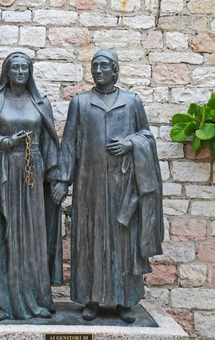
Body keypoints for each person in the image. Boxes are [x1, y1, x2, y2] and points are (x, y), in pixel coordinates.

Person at [51, 48, 163, 323]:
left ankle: (125, 300)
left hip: (122, 186)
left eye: (104, 66)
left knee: (123, 242)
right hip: (88, 185)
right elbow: (69, 143)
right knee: (88, 239)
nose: (98, 71)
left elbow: (146, 136)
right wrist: (64, 180)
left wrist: (130, 143)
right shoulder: (80, 102)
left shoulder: (131, 101)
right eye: (95, 67)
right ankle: (90, 299)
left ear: (115, 70)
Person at [0, 52, 62, 321]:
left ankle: (35, 299)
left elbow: (49, 143)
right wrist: (6, 142)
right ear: (6, 72)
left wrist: (57, 179)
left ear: (30, 72)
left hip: (32, 177)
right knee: (5, 233)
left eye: (25, 68)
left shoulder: (40, 103)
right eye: (15, 68)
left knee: (32, 237)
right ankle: (0, 303)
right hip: (4, 174)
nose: (21, 72)